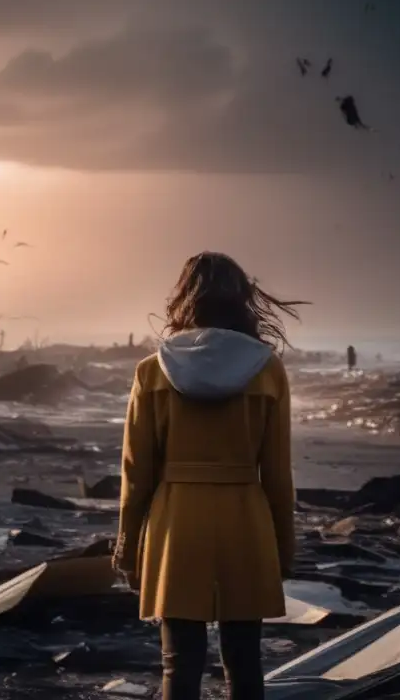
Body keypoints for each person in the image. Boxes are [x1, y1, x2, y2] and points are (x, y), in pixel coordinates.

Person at [112, 252, 305, 700]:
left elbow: (136, 473)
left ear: (185, 297)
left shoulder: (152, 370)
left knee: (178, 663)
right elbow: (277, 474)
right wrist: (284, 547)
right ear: (242, 300)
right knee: (244, 662)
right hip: (245, 519)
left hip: (176, 521)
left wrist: (127, 546)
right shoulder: (268, 369)